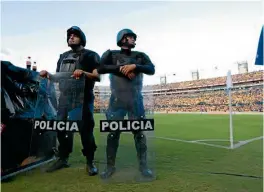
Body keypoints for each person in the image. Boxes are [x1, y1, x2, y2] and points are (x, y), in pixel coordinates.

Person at [94, 28, 155, 179]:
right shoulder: (111, 54)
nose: (134, 39)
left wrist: (135, 66)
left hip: (135, 100)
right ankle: (110, 167)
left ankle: (143, 167)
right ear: (122, 39)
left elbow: (151, 69)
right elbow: (100, 68)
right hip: (117, 100)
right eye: (130, 37)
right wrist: (121, 69)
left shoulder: (140, 56)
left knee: (139, 134)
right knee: (113, 134)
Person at [39, 26, 100, 176]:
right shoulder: (62, 56)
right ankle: (63, 158)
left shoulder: (92, 55)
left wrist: (83, 72)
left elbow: (97, 76)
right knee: (61, 129)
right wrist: (48, 75)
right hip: (65, 98)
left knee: (85, 130)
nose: (71, 37)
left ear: (82, 38)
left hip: (82, 98)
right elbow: (58, 77)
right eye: (69, 36)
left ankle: (90, 161)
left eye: (75, 35)